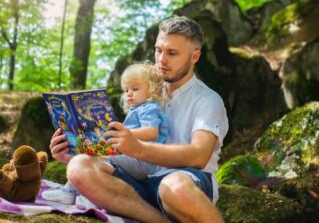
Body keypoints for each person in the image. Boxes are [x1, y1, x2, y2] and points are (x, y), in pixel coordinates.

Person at [50, 16, 228, 222]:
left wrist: (137, 147)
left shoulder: (208, 100)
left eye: (172, 53)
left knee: (174, 187)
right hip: (138, 184)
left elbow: (198, 156)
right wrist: (73, 150)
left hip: (185, 183)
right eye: (159, 50)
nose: (161, 59)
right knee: (79, 167)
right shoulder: (145, 90)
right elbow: (123, 150)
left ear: (194, 56)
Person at [43, 61, 169, 204]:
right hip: (135, 158)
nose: (129, 94)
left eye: (135, 88)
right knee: (92, 155)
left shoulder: (150, 108)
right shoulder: (138, 109)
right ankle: (83, 193)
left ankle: (76, 192)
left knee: (96, 157)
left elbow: (151, 132)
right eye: (126, 90)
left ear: (152, 89)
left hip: (143, 161)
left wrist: (123, 133)